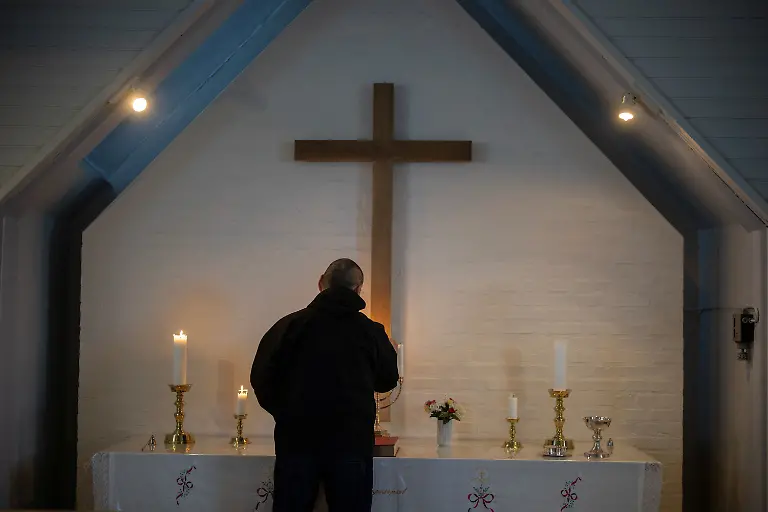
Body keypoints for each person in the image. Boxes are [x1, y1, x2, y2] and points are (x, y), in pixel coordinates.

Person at [251, 258, 399, 512]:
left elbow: (261, 378)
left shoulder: (289, 326)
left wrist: (286, 413)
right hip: (350, 442)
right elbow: (387, 381)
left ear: (321, 283)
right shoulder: (371, 331)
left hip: (297, 439)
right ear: (358, 289)